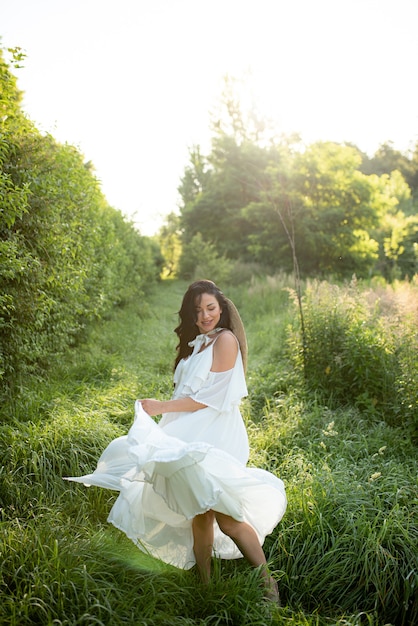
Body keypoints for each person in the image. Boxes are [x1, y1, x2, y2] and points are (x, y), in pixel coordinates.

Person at [65, 280, 287, 602]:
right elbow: (186, 392)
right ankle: (206, 586)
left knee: (226, 517)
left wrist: (162, 407)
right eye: (198, 311)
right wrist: (165, 412)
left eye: (210, 308)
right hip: (189, 431)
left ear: (221, 308)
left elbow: (210, 399)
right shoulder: (199, 343)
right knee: (199, 512)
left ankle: (269, 586)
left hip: (215, 434)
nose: (205, 315)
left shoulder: (225, 341)